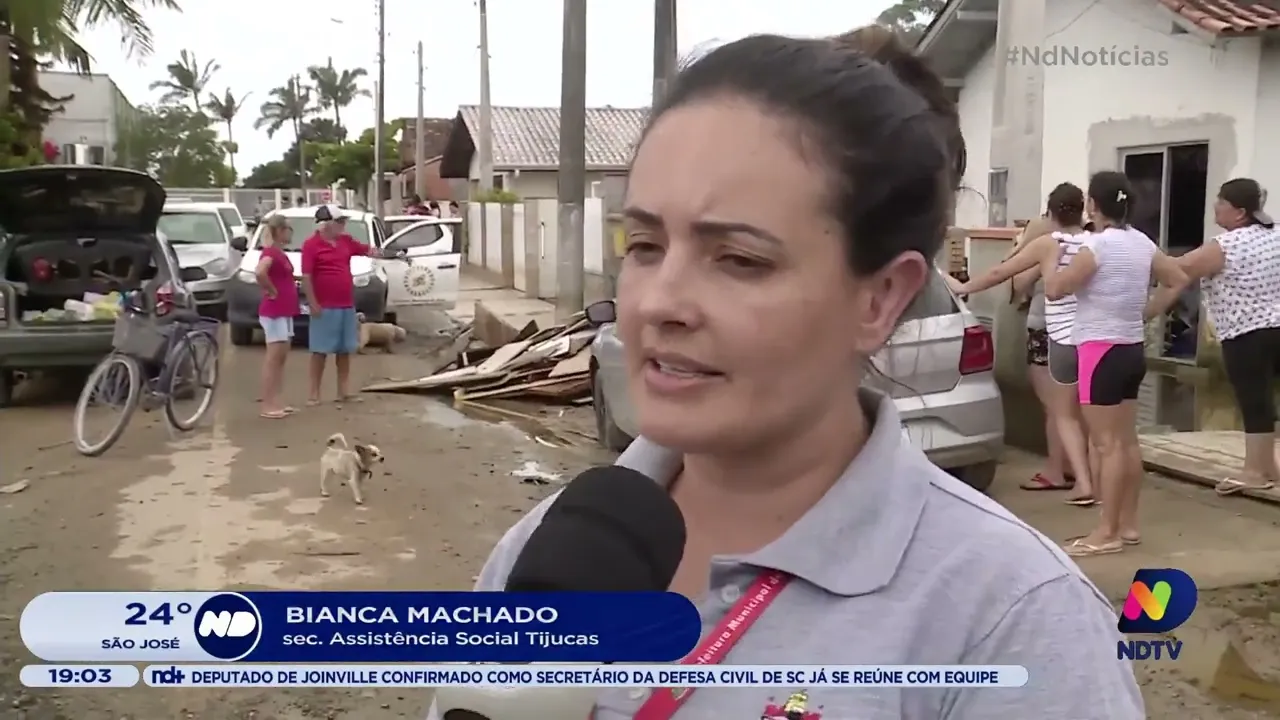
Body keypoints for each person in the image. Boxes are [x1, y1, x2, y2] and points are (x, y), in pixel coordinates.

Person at [429, 27, 1143, 719]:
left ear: (881, 297)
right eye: (644, 244)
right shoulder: (551, 550)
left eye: (739, 259)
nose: (658, 303)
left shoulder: (1011, 620)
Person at [1040, 171, 1189, 556]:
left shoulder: (1097, 247)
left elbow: (1056, 290)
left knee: (1106, 446)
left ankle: (1105, 532)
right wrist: (1146, 312)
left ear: (1094, 205)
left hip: (1098, 350)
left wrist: (1050, 258)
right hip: (1130, 348)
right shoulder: (1142, 243)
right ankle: (1128, 525)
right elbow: (1178, 278)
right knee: (1125, 442)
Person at [952, 185, 1096, 505]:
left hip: (1049, 331)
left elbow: (1016, 281)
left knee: (1056, 409)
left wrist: (1020, 249)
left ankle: (1060, 471)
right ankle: (1085, 473)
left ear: (1052, 212)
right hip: (1089, 334)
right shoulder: (1098, 244)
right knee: (1083, 409)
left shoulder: (1049, 244)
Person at [1171, 178, 1280, 494]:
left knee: (1254, 401)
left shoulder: (1225, 246)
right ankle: (1267, 466)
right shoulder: (1275, 236)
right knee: (1265, 401)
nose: (1215, 207)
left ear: (1240, 211)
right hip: (1276, 327)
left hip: (1247, 332)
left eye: (1221, 202)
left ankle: (1255, 471)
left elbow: (1179, 270)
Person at [300, 204, 401, 405]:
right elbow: (306, 277)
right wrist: (312, 303)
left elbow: (368, 250)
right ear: (327, 224)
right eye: (340, 221)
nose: (344, 225)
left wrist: (393, 254)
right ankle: (314, 394)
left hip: (346, 305)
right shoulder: (311, 245)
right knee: (319, 351)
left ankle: (344, 391)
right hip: (324, 306)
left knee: (345, 350)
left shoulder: (345, 241)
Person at [254, 215, 300, 419]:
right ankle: (267, 404)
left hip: (285, 310)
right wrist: (272, 291)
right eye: (289, 228)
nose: (291, 232)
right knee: (273, 358)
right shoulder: (271, 252)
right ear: (280, 230)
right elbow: (260, 272)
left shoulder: (280, 253)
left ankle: (276, 400)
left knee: (281, 357)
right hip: (274, 311)